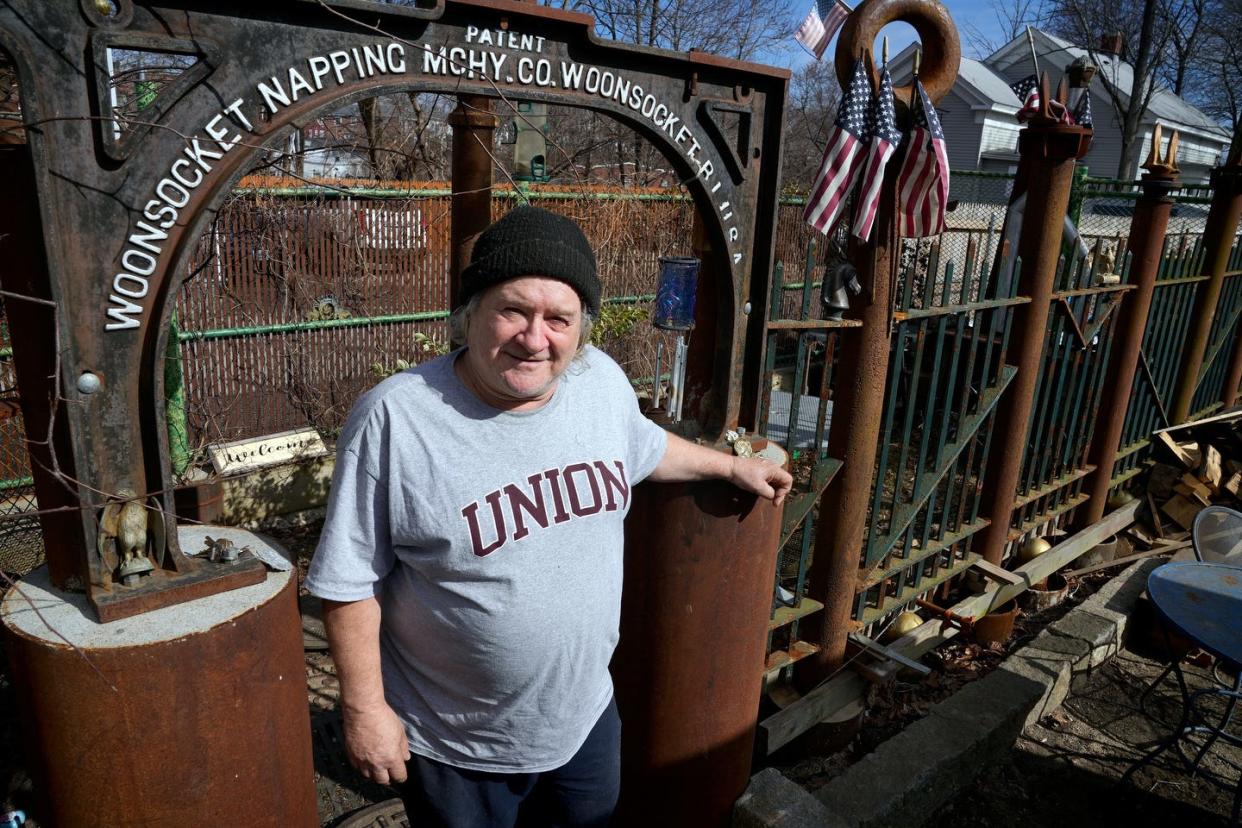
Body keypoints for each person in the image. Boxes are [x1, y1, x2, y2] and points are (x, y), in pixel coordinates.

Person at [305, 205, 792, 827]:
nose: (535, 339)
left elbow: (643, 447)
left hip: (583, 721)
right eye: (513, 310)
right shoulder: (397, 419)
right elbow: (348, 585)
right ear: (471, 313)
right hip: (458, 746)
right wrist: (365, 711)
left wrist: (728, 468)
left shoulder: (600, 383)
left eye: (557, 319)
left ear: (580, 328)